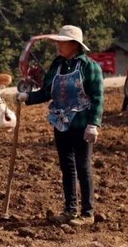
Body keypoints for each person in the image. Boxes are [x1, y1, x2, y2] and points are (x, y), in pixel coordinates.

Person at [17, 25, 103, 226]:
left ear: (74, 45)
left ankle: (87, 213)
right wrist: (28, 97)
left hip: (81, 124)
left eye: (61, 42)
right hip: (61, 122)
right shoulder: (58, 65)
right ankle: (70, 210)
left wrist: (93, 124)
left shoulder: (89, 67)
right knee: (67, 166)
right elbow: (47, 91)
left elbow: (98, 97)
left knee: (83, 166)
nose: (58, 45)